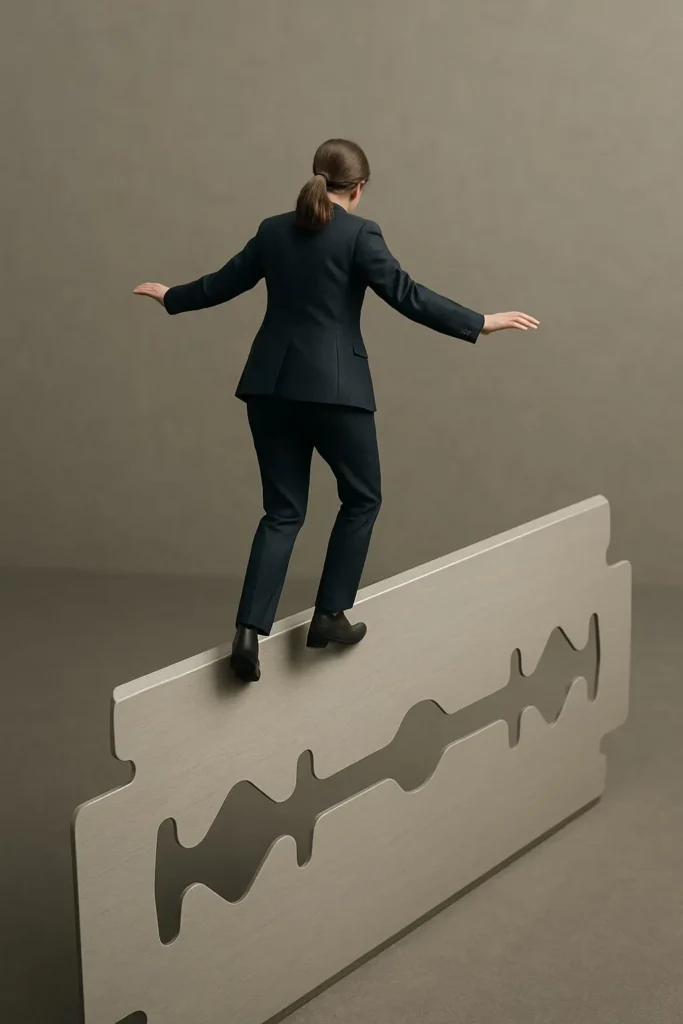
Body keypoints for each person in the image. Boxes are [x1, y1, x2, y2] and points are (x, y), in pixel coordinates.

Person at [134, 138, 539, 683]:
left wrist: (171, 296)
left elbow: (223, 283)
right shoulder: (360, 234)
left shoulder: (273, 230)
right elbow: (406, 294)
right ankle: (329, 614)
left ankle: (249, 633)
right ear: (361, 188)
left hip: (269, 388)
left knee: (282, 512)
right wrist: (479, 321)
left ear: (318, 177)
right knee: (363, 496)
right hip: (335, 391)